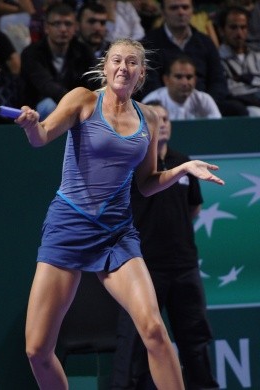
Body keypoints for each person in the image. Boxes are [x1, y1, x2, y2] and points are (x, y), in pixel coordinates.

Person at [14, 38, 225, 390]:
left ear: (141, 74)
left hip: (116, 234)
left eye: (131, 62)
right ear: (106, 67)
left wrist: (183, 169)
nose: (123, 67)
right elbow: (42, 136)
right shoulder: (82, 99)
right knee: (37, 350)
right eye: (116, 60)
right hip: (67, 226)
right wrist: (31, 124)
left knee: (155, 330)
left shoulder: (150, 118)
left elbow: (145, 183)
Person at [111, 101, 219, 390]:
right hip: (144, 267)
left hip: (184, 267)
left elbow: (193, 209)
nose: (163, 123)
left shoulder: (185, 162)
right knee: (135, 342)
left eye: (167, 118)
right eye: (157, 119)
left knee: (195, 339)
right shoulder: (133, 167)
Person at [140, 0, 248, 117]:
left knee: (237, 110)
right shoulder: (149, 43)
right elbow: (149, 83)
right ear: (163, 12)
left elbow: (218, 81)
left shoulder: (205, 42)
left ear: (192, 11)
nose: (181, 12)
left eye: (185, 7)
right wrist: (170, 104)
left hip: (204, 104)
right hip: (164, 105)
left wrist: (205, 104)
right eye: (174, 8)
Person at [20, 2, 98, 120]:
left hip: (77, 107)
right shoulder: (31, 53)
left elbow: (95, 81)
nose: (63, 29)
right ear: (46, 27)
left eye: (68, 24)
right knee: (49, 105)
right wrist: (76, 102)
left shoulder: (84, 51)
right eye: (57, 24)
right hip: (35, 111)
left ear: (75, 27)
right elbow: (46, 86)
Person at [142, 55, 222, 119]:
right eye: (178, 77)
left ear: (195, 80)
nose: (185, 83)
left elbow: (218, 129)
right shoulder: (151, 102)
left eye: (189, 77)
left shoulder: (205, 100)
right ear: (166, 80)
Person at [217, 5, 260, 116]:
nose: (239, 33)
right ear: (222, 30)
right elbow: (230, 90)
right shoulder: (217, 59)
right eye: (233, 27)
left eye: (243, 27)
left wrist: (248, 80)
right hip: (242, 109)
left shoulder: (257, 56)